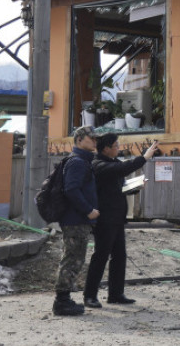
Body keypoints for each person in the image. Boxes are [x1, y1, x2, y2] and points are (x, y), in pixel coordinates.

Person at [82, 135, 158, 307]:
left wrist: (135, 187)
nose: (118, 148)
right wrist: (144, 158)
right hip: (104, 219)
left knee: (119, 256)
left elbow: (120, 186)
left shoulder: (112, 163)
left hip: (117, 218)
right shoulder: (98, 164)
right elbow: (123, 168)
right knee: (100, 256)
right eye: (115, 145)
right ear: (106, 148)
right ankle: (89, 295)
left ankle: (115, 294)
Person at [53, 125, 101, 316]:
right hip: (75, 219)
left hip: (77, 219)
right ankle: (62, 301)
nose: (95, 141)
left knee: (75, 258)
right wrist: (88, 210)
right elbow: (71, 189)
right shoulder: (78, 162)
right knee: (72, 259)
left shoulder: (82, 161)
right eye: (92, 138)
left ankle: (64, 299)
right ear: (80, 139)